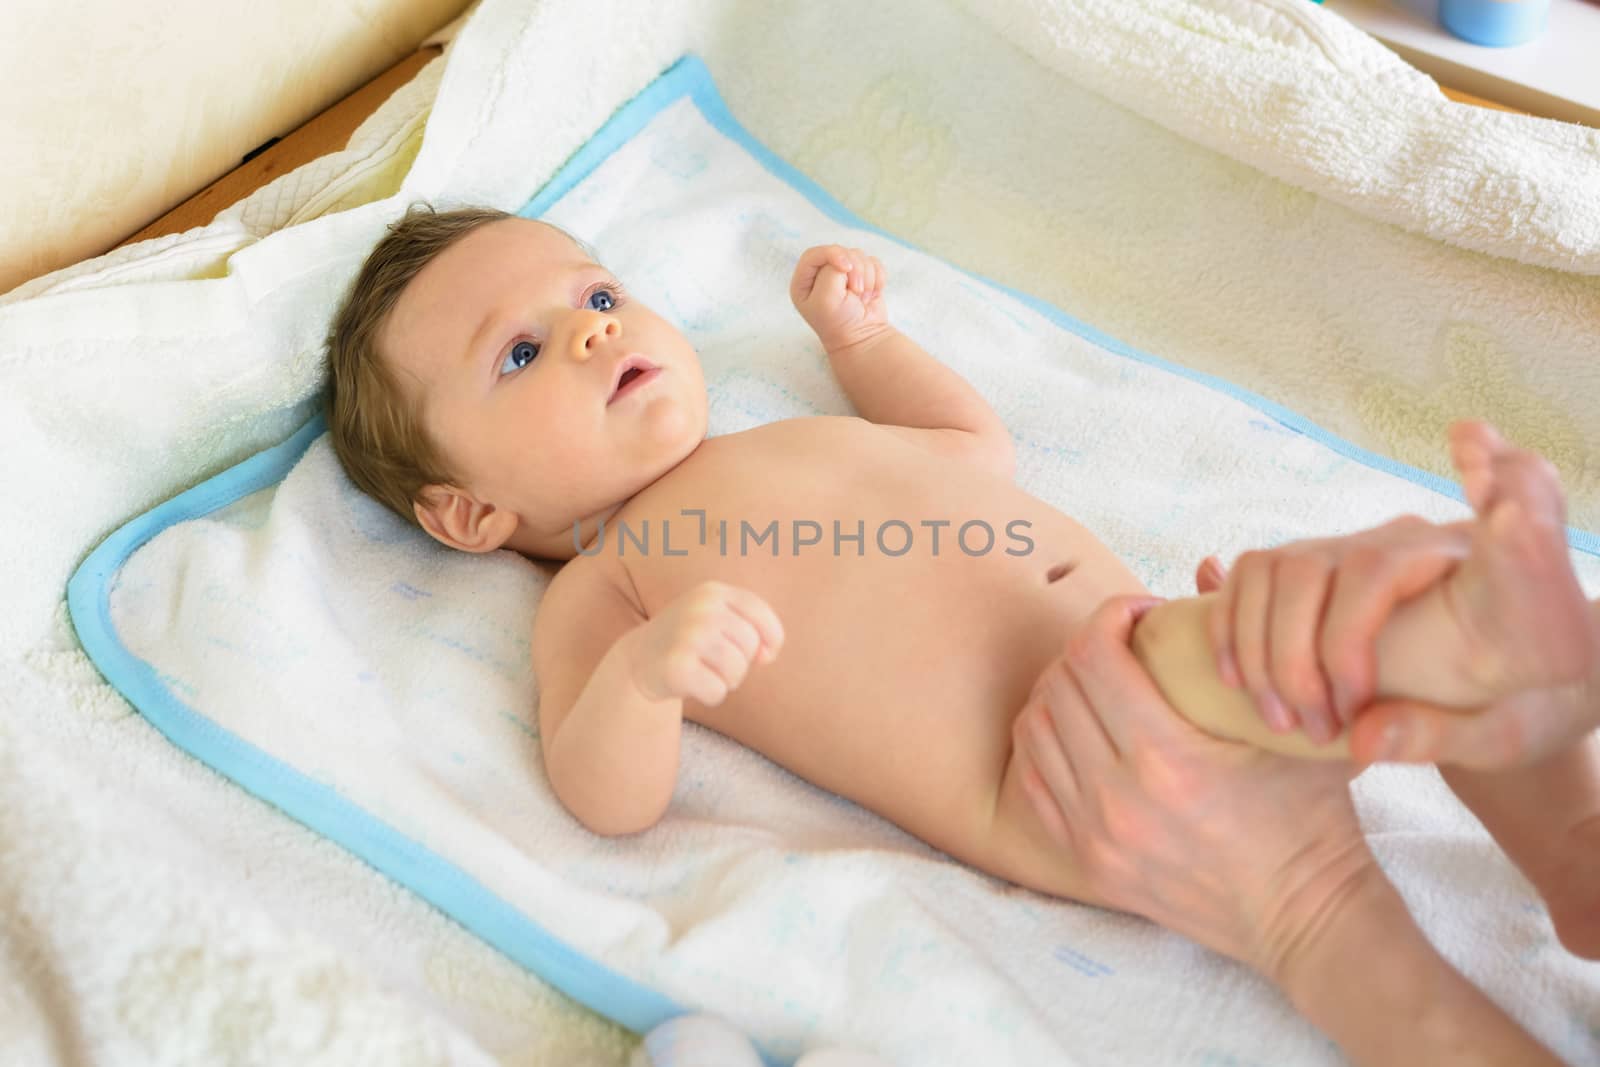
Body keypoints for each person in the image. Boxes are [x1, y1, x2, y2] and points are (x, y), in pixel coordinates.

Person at [324, 204, 1598, 1056]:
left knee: (1307, 634)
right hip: (1059, 751)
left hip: (1151, 637)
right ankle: (1462, 629)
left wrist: (863, 339)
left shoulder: (783, 436)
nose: (597, 328)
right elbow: (599, 791)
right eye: (523, 352)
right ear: (469, 512)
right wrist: (650, 681)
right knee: (1320, 647)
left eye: (596, 290)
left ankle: (1568, 835)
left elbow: (965, 445)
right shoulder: (607, 588)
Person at [1011, 434, 1600, 1066]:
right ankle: (1439, 664)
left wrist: (1309, 909)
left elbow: (964, 434)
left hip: (1066, 747)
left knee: (1180, 678)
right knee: (1220, 678)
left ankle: (1420, 655)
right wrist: (1567, 834)